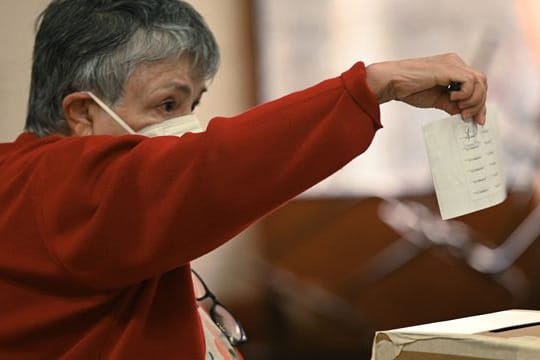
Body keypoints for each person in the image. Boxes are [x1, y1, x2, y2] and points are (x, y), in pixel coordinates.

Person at [0, 0, 486, 359]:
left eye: (194, 103)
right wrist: (369, 88)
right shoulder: (49, 187)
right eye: (167, 105)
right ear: (83, 113)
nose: (186, 125)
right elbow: (211, 165)